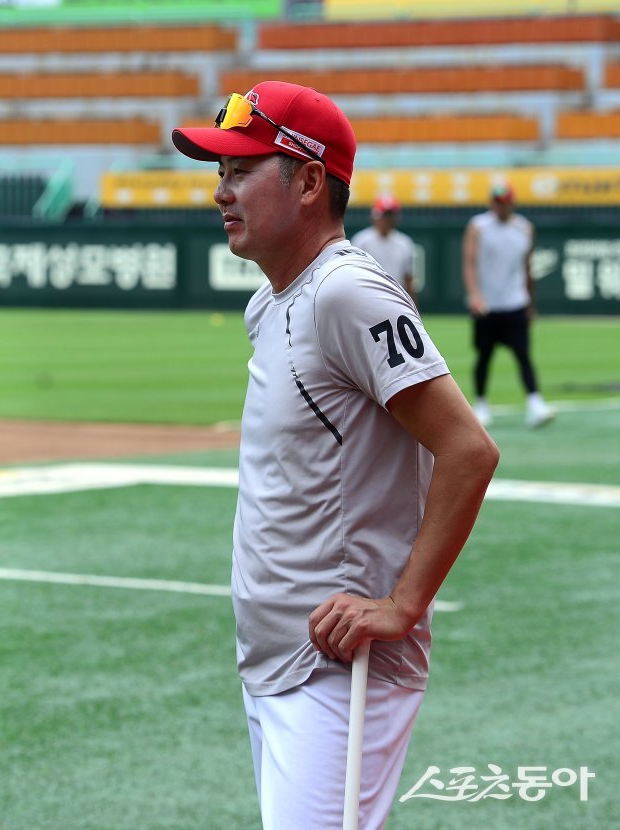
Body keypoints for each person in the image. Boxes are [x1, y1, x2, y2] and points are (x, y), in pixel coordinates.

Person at [172, 81, 499, 829]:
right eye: (220, 172)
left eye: (241, 170)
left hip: (337, 669)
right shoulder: (272, 301)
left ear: (310, 181)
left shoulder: (347, 292)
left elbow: (468, 449)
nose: (221, 192)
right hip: (279, 660)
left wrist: (404, 605)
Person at [462, 182, 555, 428]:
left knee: (523, 355)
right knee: (484, 356)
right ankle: (481, 405)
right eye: (496, 202)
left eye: (504, 202)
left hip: (515, 302)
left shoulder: (524, 228)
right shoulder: (478, 226)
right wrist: (474, 295)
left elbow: (527, 268)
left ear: (512, 203)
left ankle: (535, 404)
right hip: (487, 305)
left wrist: (530, 302)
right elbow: (469, 263)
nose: (500, 207)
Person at [350, 194, 416, 301]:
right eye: (384, 216)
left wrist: (413, 305)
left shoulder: (404, 243)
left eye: (390, 216)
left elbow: (408, 278)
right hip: (367, 297)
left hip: (396, 297)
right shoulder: (361, 241)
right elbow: (353, 275)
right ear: (374, 217)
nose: (387, 220)